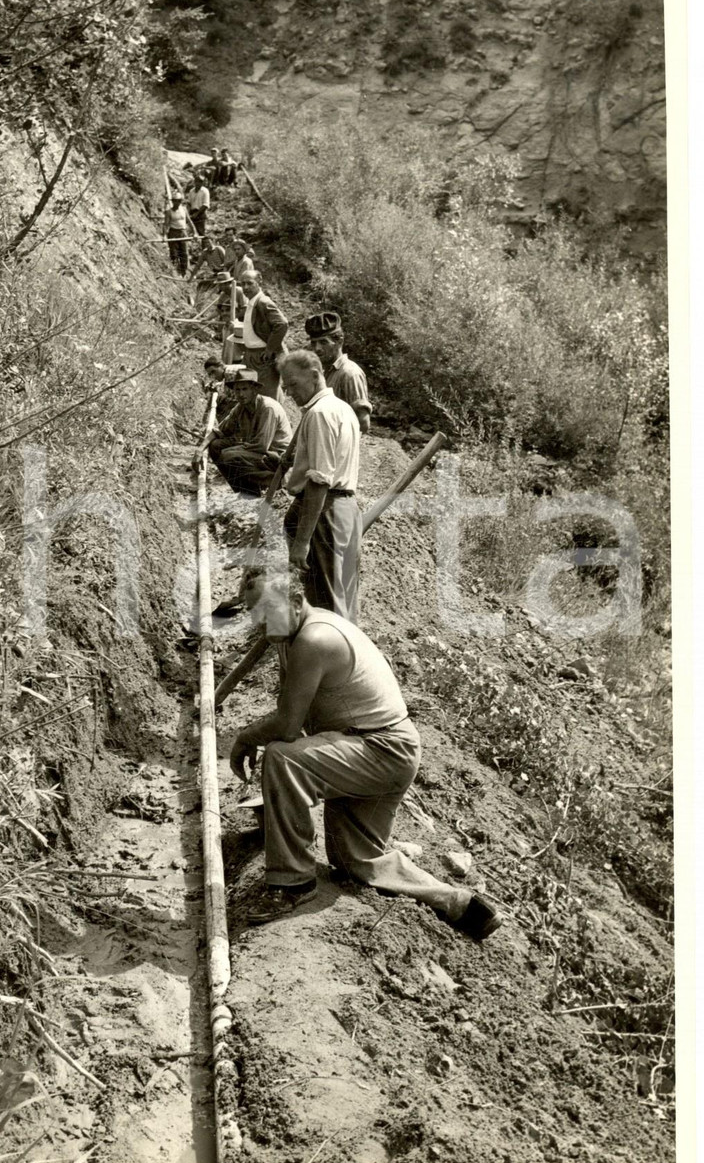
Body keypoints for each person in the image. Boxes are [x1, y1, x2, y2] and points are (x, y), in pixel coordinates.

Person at [229, 567, 504, 937]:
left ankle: (292, 884)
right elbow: (290, 710)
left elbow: (287, 727)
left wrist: (246, 738)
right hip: (375, 748)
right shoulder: (291, 632)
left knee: (281, 756)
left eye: (267, 611)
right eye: (254, 614)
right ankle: (458, 904)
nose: (260, 623)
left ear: (296, 602)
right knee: (353, 860)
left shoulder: (315, 638)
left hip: (380, 750)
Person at [278, 348, 361, 622]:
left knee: (326, 605)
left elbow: (319, 480)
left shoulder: (320, 414)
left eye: (293, 384)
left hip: (324, 512)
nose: (289, 393)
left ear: (314, 375)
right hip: (344, 509)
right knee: (341, 596)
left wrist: (302, 541)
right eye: (285, 387)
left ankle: (332, 658)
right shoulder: (342, 409)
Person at [204, 368, 292, 497]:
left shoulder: (268, 408)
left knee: (229, 455)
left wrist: (236, 448)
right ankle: (245, 491)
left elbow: (261, 446)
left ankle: (273, 482)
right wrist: (199, 450)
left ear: (254, 390)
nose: (240, 394)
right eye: (237, 390)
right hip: (258, 453)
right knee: (216, 446)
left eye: (245, 389)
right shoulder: (241, 408)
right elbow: (219, 431)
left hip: (278, 456)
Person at [306, 312, 374, 435]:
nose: (317, 348)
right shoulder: (325, 372)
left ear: (339, 342)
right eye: (313, 343)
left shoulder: (349, 373)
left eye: (323, 342)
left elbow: (363, 423)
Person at [239, 271, 289, 400]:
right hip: (251, 356)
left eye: (249, 283)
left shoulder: (263, 302)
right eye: (242, 284)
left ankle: (272, 419)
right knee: (253, 395)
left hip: (262, 358)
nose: (245, 288)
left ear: (259, 281)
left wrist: (269, 350)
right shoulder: (251, 302)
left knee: (266, 397)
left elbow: (282, 324)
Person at [164, 193, 193, 277]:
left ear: (181, 201)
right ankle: (175, 272)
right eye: (175, 201)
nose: (177, 203)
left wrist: (194, 232)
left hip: (183, 233)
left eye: (179, 201)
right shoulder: (169, 212)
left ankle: (183, 273)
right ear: (172, 201)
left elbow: (189, 220)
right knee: (174, 253)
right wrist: (164, 236)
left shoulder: (184, 209)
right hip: (173, 233)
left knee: (184, 253)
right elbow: (166, 224)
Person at [188, 174, 211, 239]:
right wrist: (188, 212)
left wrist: (197, 213)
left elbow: (206, 205)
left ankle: (204, 247)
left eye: (200, 182)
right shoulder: (191, 191)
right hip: (192, 212)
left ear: (202, 183)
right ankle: (193, 247)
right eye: (197, 181)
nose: (198, 183)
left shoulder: (205, 191)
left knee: (201, 233)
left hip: (200, 213)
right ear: (194, 182)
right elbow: (189, 203)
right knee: (191, 232)